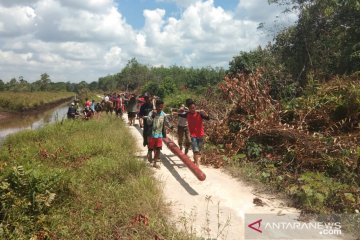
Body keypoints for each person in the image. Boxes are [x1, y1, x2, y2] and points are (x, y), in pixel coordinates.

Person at [176, 100, 209, 166]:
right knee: (195, 149)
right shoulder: (187, 114)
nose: (192, 109)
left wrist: (204, 112)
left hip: (201, 135)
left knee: (198, 150)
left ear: (195, 107)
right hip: (193, 135)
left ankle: (195, 160)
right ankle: (197, 164)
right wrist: (176, 113)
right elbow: (180, 114)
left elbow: (208, 118)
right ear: (189, 109)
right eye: (191, 108)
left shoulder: (200, 114)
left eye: (193, 108)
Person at [145, 99, 173, 168]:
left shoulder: (163, 114)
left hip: (159, 135)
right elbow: (148, 122)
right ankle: (149, 154)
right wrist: (152, 117)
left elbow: (166, 122)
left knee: (158, 149)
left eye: (162, 107)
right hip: (151, 135)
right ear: (156, 106)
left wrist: (170, 126)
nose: (160, 108)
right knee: (150, 149)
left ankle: (155, 162)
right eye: (159, 107)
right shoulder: (151, 113)